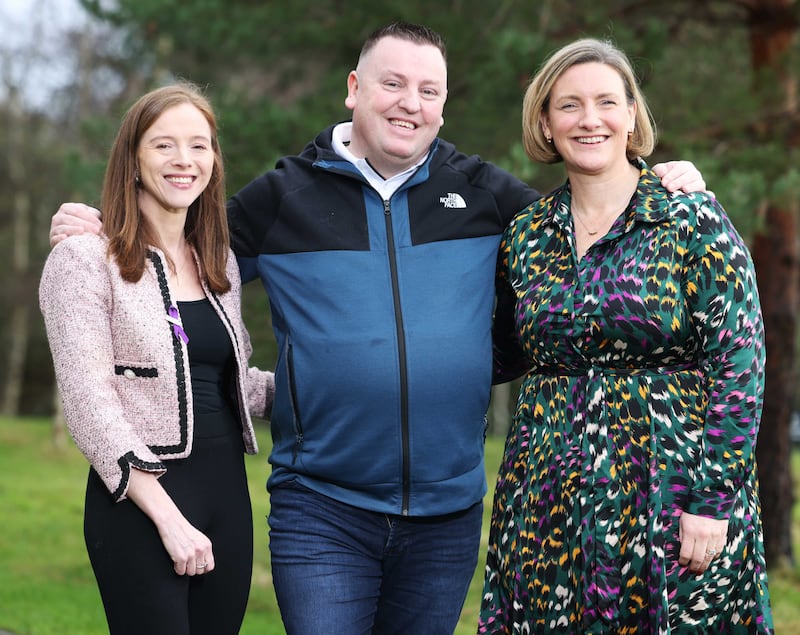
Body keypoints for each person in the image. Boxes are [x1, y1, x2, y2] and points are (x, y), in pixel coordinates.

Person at [48, 23, 708, 635]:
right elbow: (182, 241)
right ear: (354, 89)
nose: (409, 103)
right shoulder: (284, 197)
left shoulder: (482, 193)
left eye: (428, 90)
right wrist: (101, 226)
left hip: (447, 517)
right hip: (321, 510)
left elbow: (595, 229)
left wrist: (674, 186)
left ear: (443, 106)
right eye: (392, 83)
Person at [479, 38, 773, 634]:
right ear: (545, 120)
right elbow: (500, 352)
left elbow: (740, 366)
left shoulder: (691, 219)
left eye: (607, 102)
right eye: (570, 105)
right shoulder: (527, 235)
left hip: (673, 499)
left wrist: (712, 504)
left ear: (632, 114)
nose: (590, 119)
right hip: (548, 501)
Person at [39, 82, 275, 635]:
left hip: (227, 499)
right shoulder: (83, 260)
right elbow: (89, 404)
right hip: (139, 507)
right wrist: (169, 520)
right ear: (133, 159)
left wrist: (334, 386)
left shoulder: (219, 263)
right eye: (164, 145)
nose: (184, 161)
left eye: (199, 145)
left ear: (214, 161)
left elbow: (232, 385)